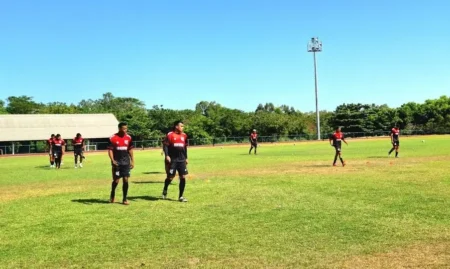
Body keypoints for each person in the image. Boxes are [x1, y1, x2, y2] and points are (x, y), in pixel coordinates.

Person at [162, 120, 189, 202]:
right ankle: (165, 189)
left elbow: (185, 148)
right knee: (170, 177)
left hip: (181, 160)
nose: (183, 127)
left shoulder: (184, 135)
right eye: (181, 126)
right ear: (176, 126)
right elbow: (165, 145)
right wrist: (167, 155)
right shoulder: (170, 135)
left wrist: (186, 158)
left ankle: (181, 196)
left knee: (183, 177)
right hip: (173, 160)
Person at [108, 122, 134, 205]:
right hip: (117, 162)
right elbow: (110, 150)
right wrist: (112, 160)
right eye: (123, 129)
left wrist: (132, 160)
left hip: (126, 162)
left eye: (126, 128)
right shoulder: (113, 138)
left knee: (126, 180)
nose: (125, 130)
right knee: (116, 180)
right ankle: (112, 195)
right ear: (119, 128)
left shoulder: (129, 137)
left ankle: (124, 198)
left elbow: (130, 149)